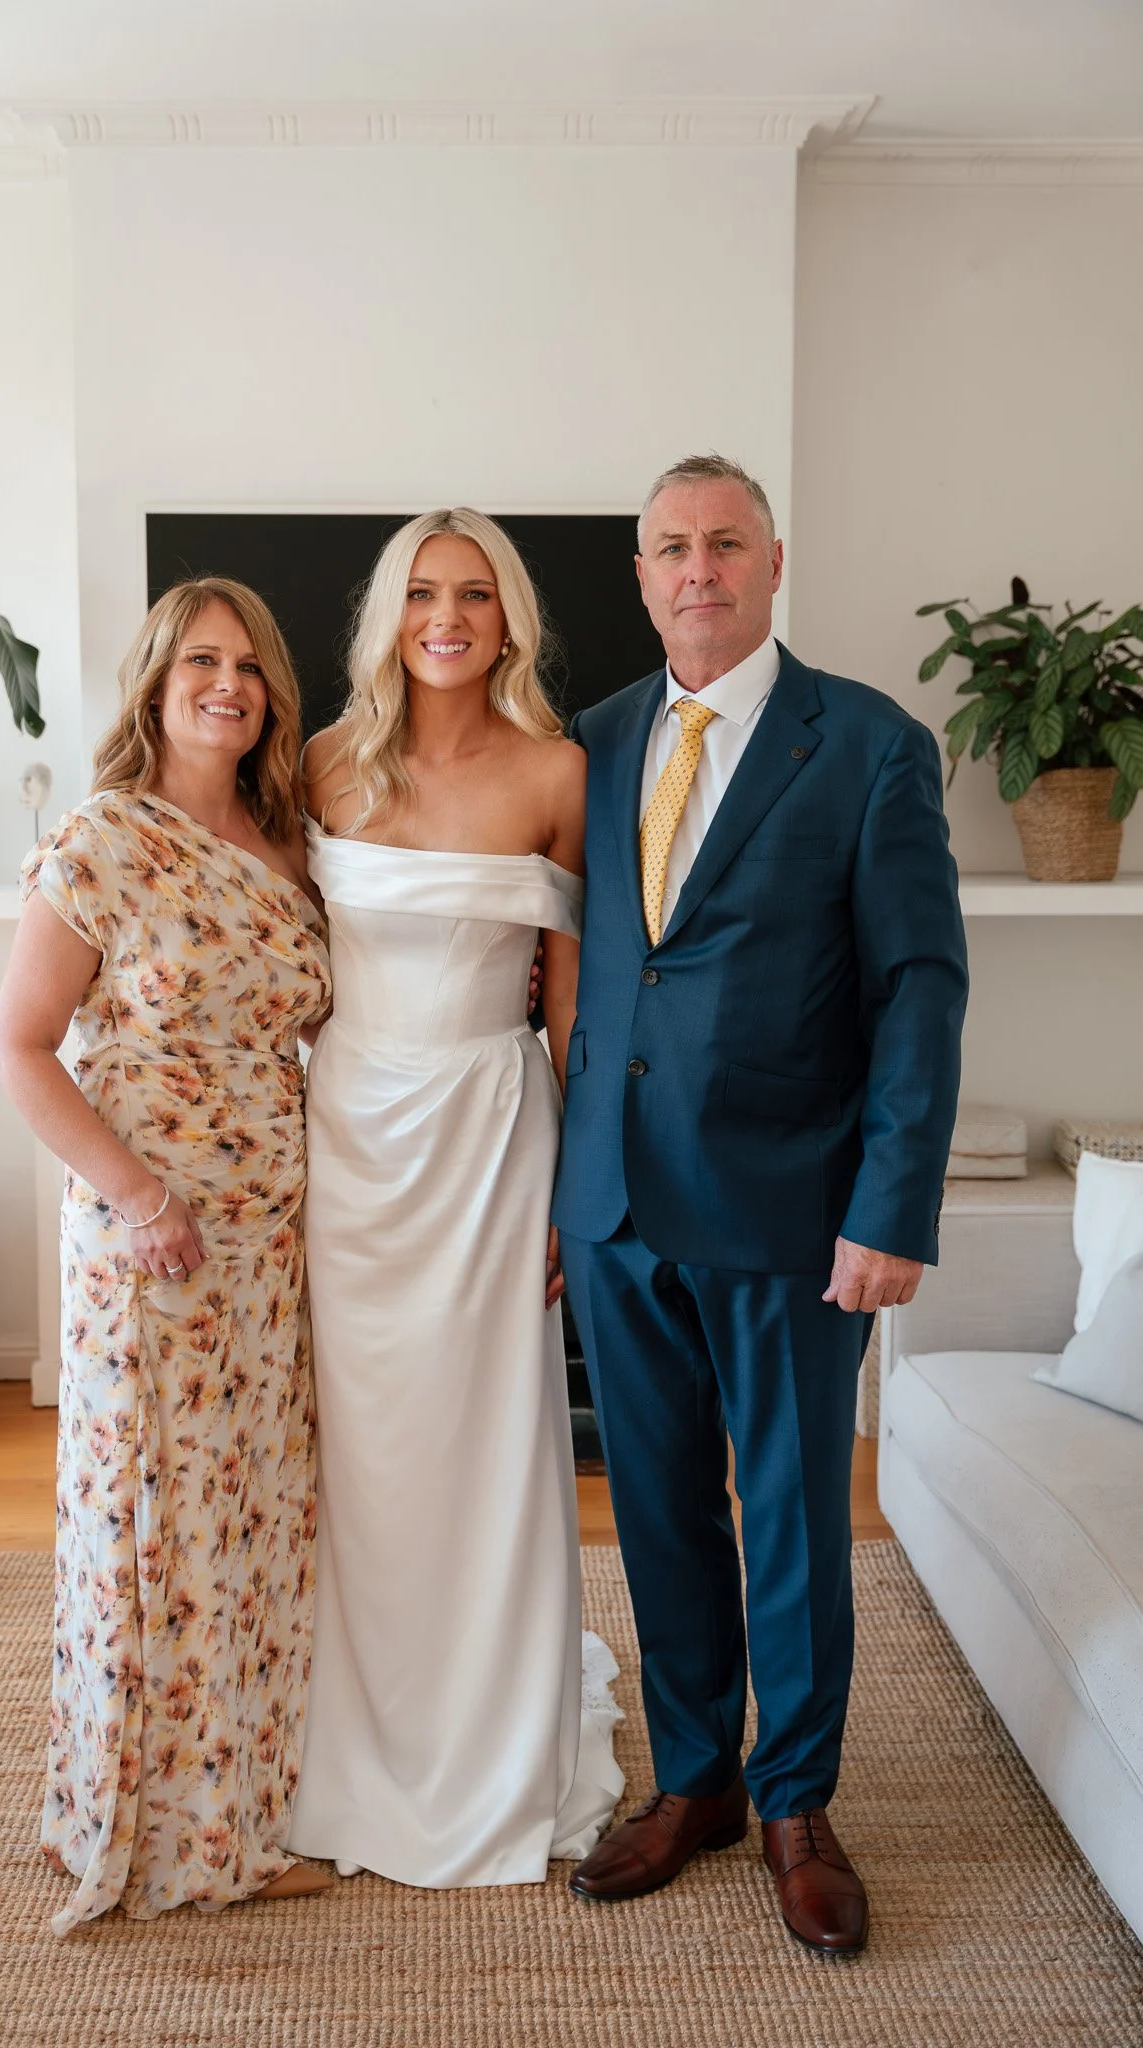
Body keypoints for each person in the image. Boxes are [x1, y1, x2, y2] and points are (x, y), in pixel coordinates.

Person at [556, 455, 968, 1952]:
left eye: (726, 543)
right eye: (671, 547)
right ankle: (698, 1782)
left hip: (798, 1211)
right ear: (644, 572)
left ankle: (799, 1800)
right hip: (616, 1205)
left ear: (775, 562)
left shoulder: (864, 745)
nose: (699, 570)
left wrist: (894, 1206)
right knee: (656, 1513)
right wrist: (557, 1190)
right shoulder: (589, 743)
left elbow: (919, 988)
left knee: (791, 1516)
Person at [286, 508, 624, 1886]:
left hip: (493, 1135)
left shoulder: (560, 773)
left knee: (485, 1437)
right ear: (390, 615)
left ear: (510, 618)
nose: (447, 615)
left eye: (473, 594)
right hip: (348, 1139)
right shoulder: (317, 766)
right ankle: (350, 1740)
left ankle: (492, 1741)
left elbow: (571, 1000)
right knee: (362, 1449)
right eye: (423, 592)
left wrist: (573, 1183)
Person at [0, 578, 333, 1933]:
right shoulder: (101, 841)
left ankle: (239, 1808)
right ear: (154, 679)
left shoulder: (285, 840)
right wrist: (137, 1196)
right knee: (150, 1525)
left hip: (274, 1241)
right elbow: (18, 1049)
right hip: (155, 1242)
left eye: (249, 668)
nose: (228, 686)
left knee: (250, 1525)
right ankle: (151, 1834)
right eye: (201, 661)